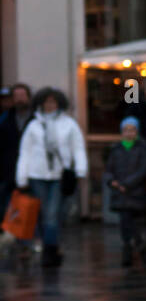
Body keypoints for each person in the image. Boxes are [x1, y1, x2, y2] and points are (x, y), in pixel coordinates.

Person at [15, 87, 88, 268]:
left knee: (52, 214)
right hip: (37, 174)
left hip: (59, 174)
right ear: (41, 103)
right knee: (44, 213)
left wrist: (80, 170)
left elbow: (77, 147)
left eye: (53, 102)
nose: (50, 105)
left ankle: (49, 250)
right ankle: (52, 247)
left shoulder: (69, 124)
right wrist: (21, 177)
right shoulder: (33, 125)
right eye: (47, 102)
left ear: (59, 104)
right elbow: (26, 152)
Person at [104, 117, 146, 267]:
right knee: (124, 222)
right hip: (120, 193)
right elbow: (109, 169)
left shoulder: (142, 148)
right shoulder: (115, 149)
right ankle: (128, 247)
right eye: (126, 130)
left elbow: (142, 170)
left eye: (132, 130)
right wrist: (112, 181)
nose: (129, 133)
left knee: (137, 223)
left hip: (135, 192)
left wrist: (127, 184)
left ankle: (141, 246)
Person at [0, 83, 33, 219]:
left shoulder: (36, 119)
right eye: (16, 96)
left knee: (32, 205)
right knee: (7, 206)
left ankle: (32, 237)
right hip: (7, 169)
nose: (20, 99)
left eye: (22, 95)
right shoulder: (4, 118)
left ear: (29, 97)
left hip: (32, 169)